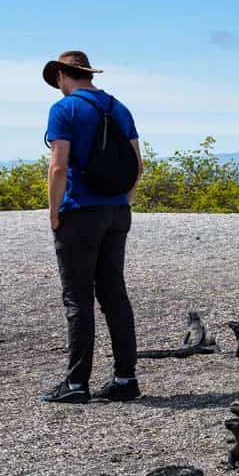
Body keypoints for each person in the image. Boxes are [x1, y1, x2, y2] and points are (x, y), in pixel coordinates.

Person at [40, 50, 144, 403]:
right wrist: (123, 201)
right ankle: (125, 378)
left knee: (78, 298)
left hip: (79, 212)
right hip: (117, 212)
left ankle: (75, 384)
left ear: (60, 76)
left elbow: (58, 166)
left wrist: (54, 212)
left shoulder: (64, 109)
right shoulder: (119, 107)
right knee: (115, 294)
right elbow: (138, 165)